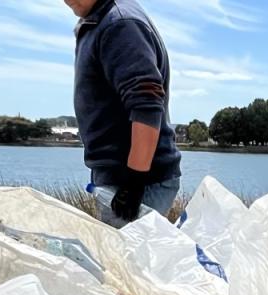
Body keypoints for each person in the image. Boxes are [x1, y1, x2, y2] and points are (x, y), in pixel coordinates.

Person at [65, 0, 181, 227]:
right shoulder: (101, 19)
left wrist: (134, 183)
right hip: (121, 177)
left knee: (131, 261)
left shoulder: (120, 24)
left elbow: (146, 102)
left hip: (138, 182)